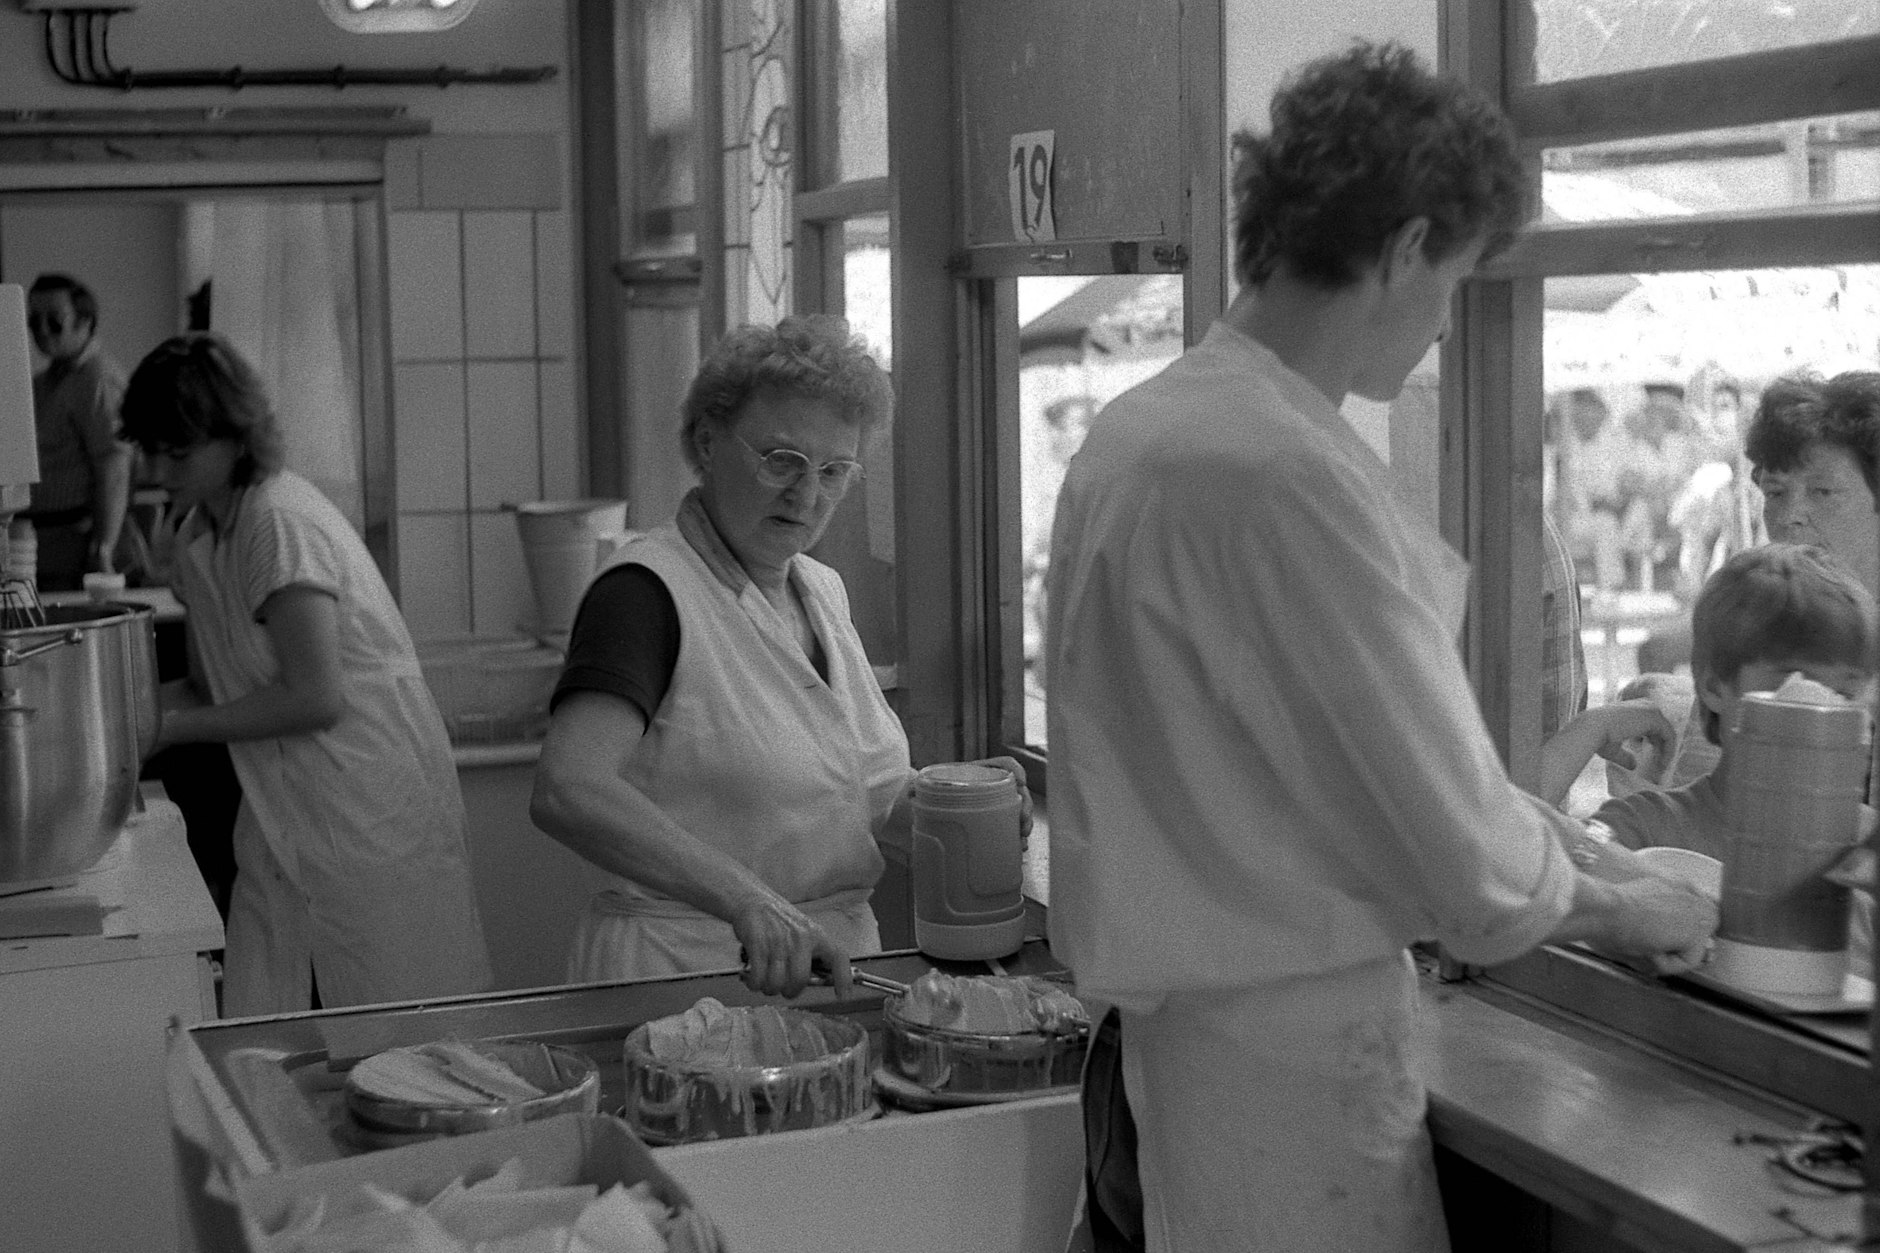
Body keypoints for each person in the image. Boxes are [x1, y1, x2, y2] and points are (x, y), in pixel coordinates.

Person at [1044, 42, 1717, 1252]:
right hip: (1296, 1065)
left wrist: (1573, 848)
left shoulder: (1140, 433)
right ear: (1405, 247)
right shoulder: (1284, 475)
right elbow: (1462, 857)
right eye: (1454, 277)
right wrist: (1635, 913)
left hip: (1186, 1046)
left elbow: (1336, 763)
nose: (1446, 316)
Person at [531, 315, 1028, 1000]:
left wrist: (964, 803)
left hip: (834, 973)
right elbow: (567, 786)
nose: (807, 493)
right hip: (684, 974)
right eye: (782, 460)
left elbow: (863, 801)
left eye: (833, 470)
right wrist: (750, 900)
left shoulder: (820, 590)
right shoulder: (646, 592)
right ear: (707, 443)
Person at [119, 334, 493, 1015]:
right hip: (284, 809)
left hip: (370, 811)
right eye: (149, 448)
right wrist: (109, 723)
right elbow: (212, 685)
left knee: (409, 1033)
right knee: (268, 1027)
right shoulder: (198, 536)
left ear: (236, 437)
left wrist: (165, 729)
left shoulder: (277, 521)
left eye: (177, 451)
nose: (157, 468)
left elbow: (314, 695)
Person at [1586, 544, 1875, 971]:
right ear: (1715, 687)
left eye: (1845, 695)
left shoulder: (1869, 849)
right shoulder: (1649, 826)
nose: (1823, 710)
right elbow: (1564, 886)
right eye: (1795, 684)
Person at [22, 273, 133, 591]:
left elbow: (114, 466)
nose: (41, 331)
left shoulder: (96, 379)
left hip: (75, 540)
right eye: (34, 322)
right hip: (42, 541)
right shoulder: (45, 383)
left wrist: (104, 547)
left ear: (85, 322)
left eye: (55, 321)